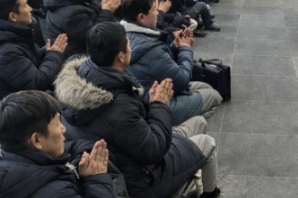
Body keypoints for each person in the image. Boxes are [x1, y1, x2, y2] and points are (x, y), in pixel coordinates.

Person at [55, 22, 220, 198]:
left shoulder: (77, 81)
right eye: (128, 44)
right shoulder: (119, 106)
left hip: (120, 166)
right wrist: (159, 105)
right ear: (120, 56)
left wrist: (149, 101)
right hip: (140, 181)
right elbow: (154, 151)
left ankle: (192, 176)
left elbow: (125, 126)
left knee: (199, 122)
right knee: (207, 143)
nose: (131, 47)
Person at [120, 0, 222, 125]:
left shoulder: (121, 33)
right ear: (141, 17)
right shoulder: (151, 49)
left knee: (205, 87)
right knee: (214, 97)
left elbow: (155, 63)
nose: (158, 13)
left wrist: (175, 45)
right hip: (154, 105)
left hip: (144, 96)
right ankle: (170, 129)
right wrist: (186, 48)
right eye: (154, 9)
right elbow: (182, 80)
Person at [0, 91, 115, 198]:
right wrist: (96, 178)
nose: (63, 128)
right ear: (37, 140)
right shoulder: (57, 192)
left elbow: (70, 148)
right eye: (57, 123)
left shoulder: (10, 158)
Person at [0, 0, 67, 99]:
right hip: (26, 105)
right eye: (25, 5)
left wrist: (46, 51)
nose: (30, 9)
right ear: (13, 16)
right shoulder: (6, 52)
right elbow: (37, 83)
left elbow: (27, 60)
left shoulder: (14, 35)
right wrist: (54, 54)